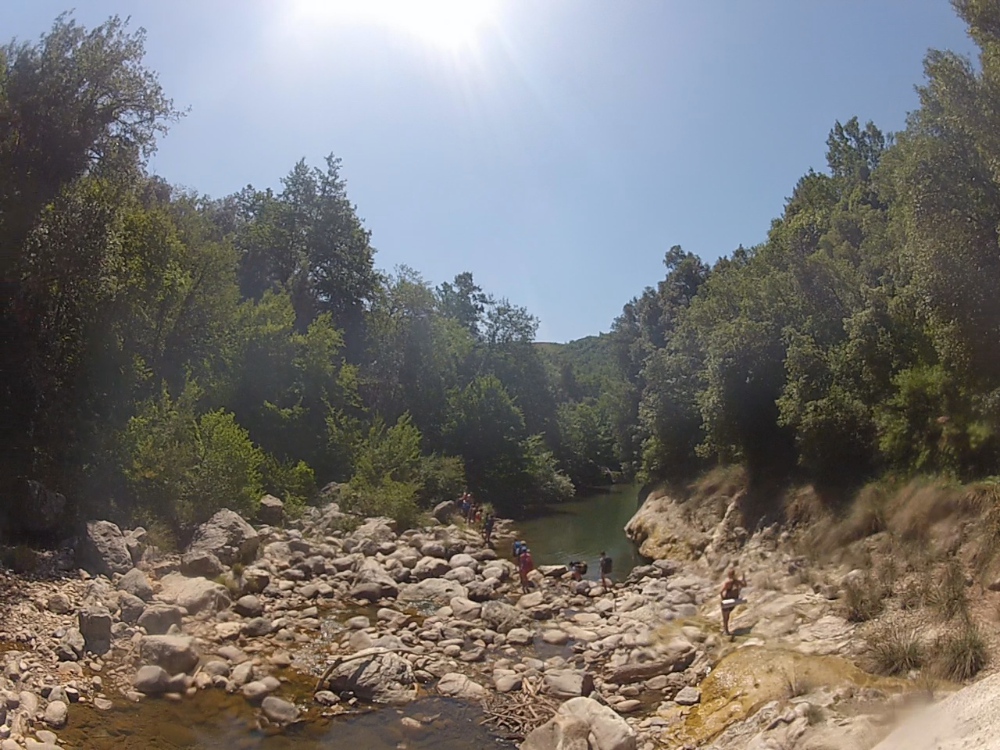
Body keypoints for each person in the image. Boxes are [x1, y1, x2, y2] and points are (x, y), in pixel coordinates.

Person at [720, 567, 748, 636]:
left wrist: (722, 597)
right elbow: (744, 585)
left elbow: (721, 591)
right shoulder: (736, 581)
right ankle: (726, 630)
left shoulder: (729, 582)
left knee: (725, 616)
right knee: (727, 616)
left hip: (728, 600)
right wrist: (744, 579)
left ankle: (726, 630)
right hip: (731, 600)